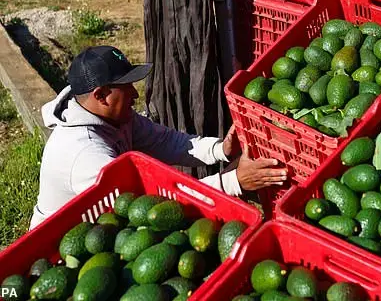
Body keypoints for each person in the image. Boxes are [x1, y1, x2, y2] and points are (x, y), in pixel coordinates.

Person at [30, 46, 287, 229]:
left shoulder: (116, 117)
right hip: (63, 249)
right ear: (100, 95)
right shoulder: (84, 155)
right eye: (126, 86)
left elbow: (164, 141)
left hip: (109, 229)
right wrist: (233, 182)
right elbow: (150, 208)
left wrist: (220, 149)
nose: (135, 94)